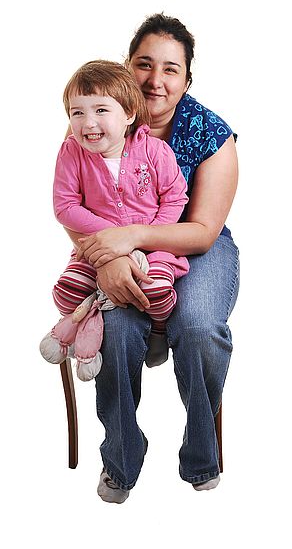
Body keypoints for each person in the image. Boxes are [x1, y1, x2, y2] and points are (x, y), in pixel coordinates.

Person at [68, 14, 240, 503]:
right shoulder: (97, 115)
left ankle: (201, 452)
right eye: (144, 64)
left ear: (187, 78)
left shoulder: (212, 133)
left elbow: (204, 230)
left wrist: (132, 237)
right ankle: (122, 459)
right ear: (127, 65)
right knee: (118, 332)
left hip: (194, 245)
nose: (155, 80)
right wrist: (103, 257)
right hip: (109, 244)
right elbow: (70, 201)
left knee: (200, 327)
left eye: (171, 68)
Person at [42, 60, 190, 379]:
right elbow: (65, 206)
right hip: (97, 249)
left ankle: (158, 333)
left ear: (128, 115)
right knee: (66, 290)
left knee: (158, 292)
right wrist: (112, 239)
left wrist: (145, 237)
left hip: (153, 248)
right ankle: (83, 328)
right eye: (77, 112)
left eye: (100, 110)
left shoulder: (155, 151)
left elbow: (176, 196)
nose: (87, 122)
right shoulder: (72, 152)